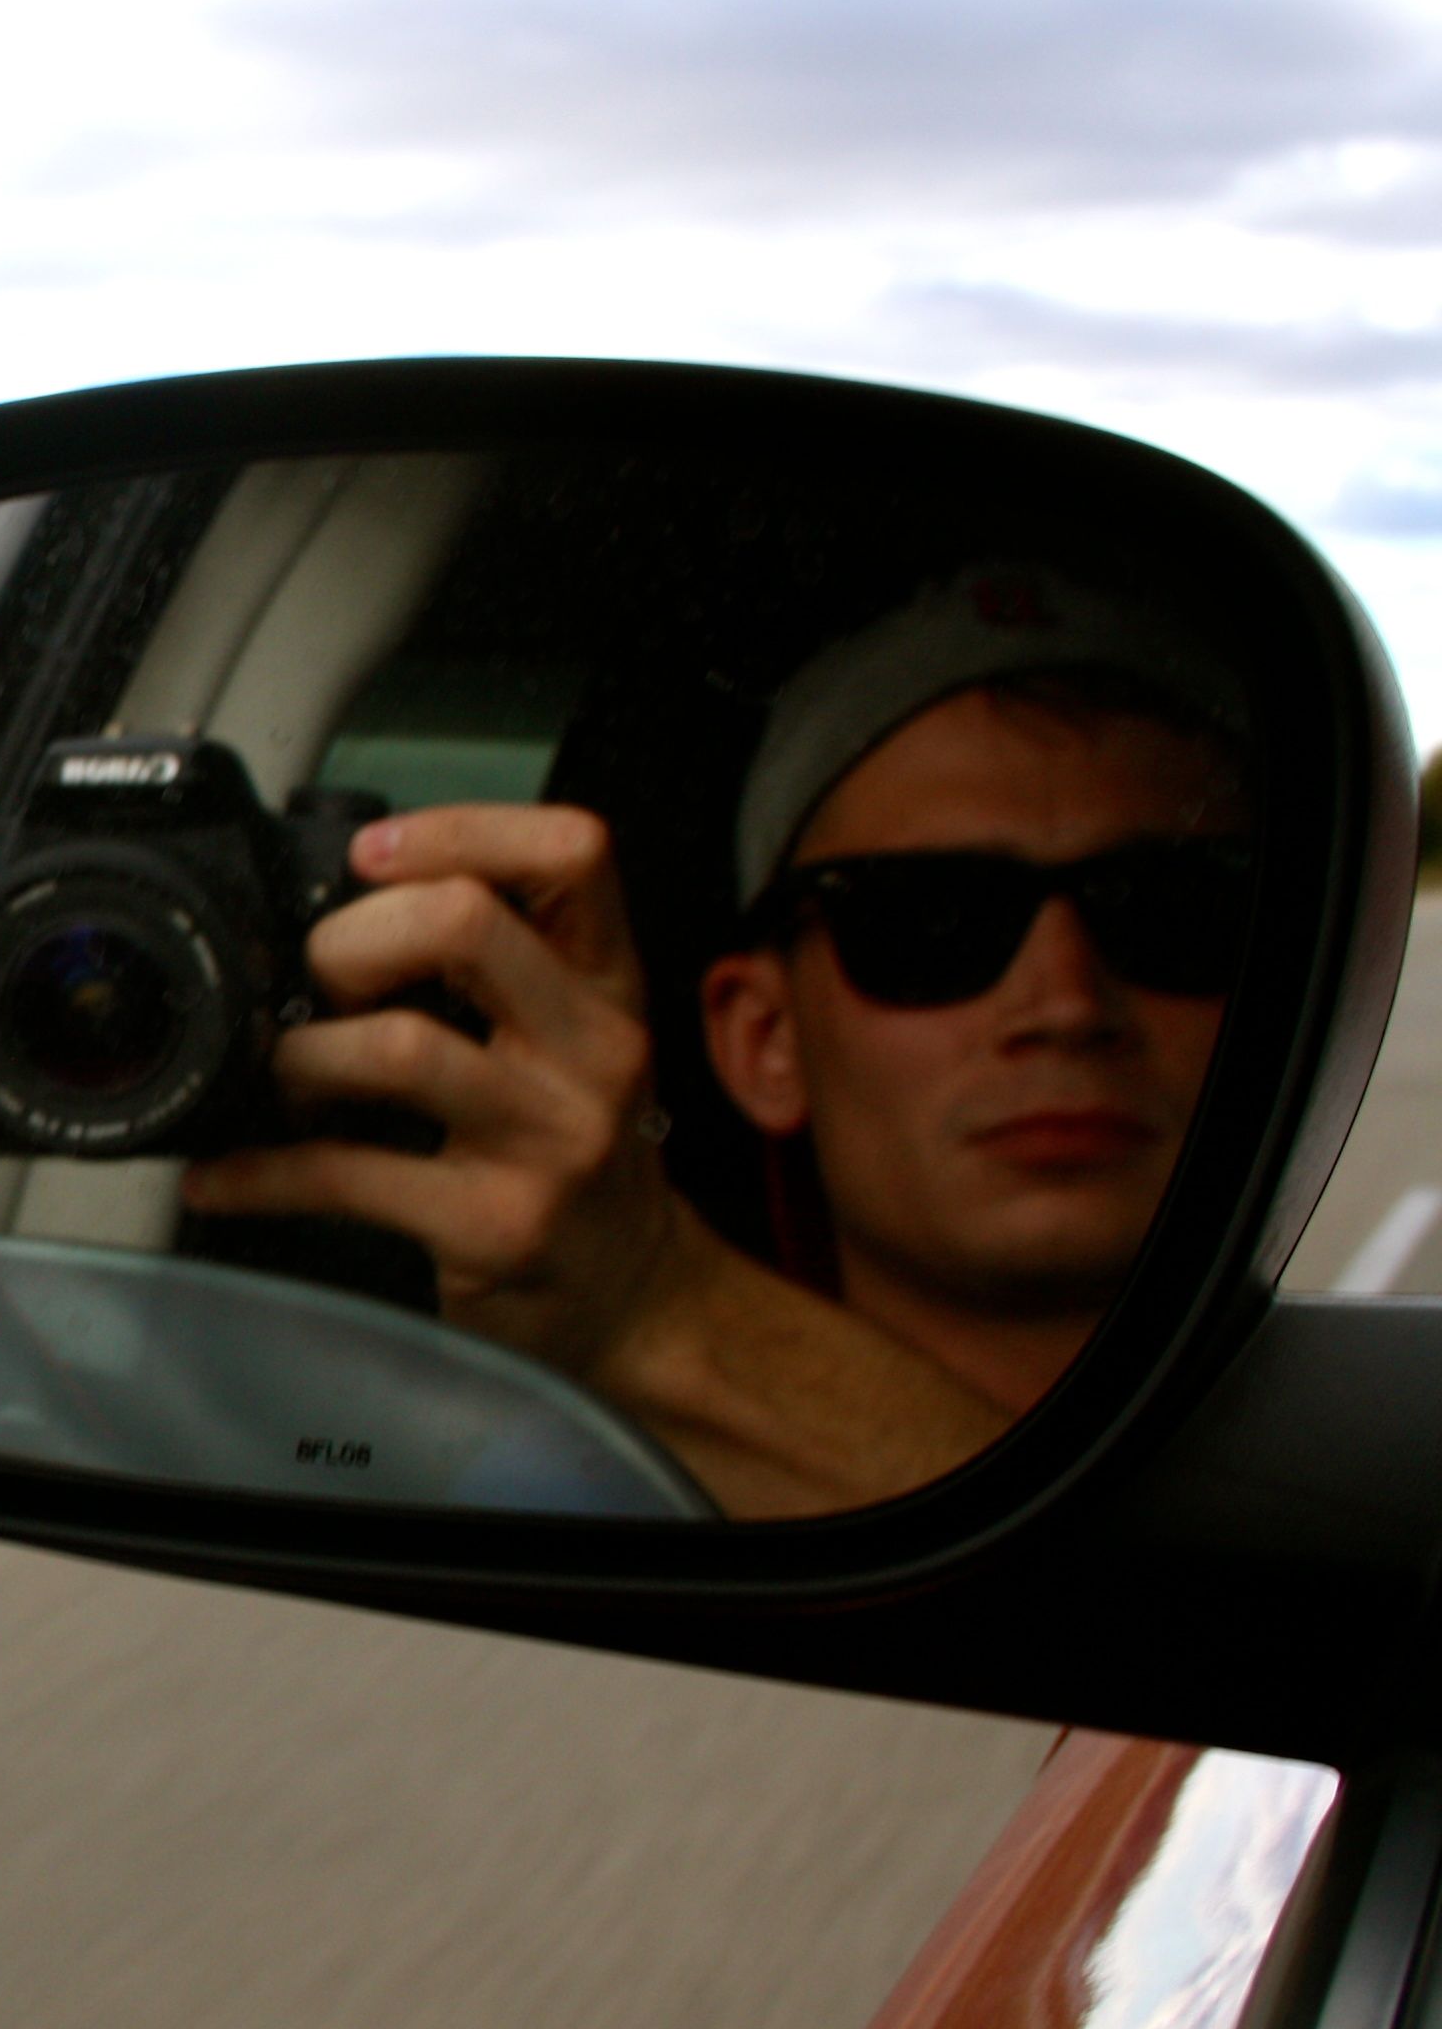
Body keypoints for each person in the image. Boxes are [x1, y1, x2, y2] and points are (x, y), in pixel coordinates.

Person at [178, 566, 1253, 1520]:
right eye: (931, 922)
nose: (1066, 1002)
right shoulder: (560, 1504)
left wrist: (652, 1308)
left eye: (1168, 909)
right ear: (761, 1039)